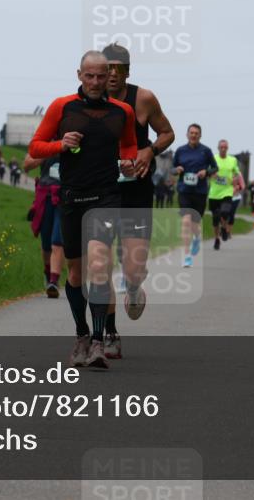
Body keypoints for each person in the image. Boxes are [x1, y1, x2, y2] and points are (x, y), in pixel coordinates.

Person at [28, 51, 138, 370]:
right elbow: (36, 147)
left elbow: (128, 146)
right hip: (72, 197)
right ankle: (82, 335)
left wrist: (129, 163)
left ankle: (99, 343)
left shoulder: (123, 111)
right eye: (89, 76)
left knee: (100, 264)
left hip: (106, 196)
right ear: (79, 75)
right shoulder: (62, 107)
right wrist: (59, 145)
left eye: (101, 76)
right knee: (75, 273)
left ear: (109, 77)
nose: (94, 82)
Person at [104, 43, 175, 359]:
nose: (112, 74)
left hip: (136, 192)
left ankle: (133, 286)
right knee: (99, 264)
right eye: (108, 68)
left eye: (119, 68)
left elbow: (167, 133)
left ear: (128, 71)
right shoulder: (87, 101)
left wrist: (150, 151)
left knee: (132, 268)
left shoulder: (143, 98)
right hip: (101, 191)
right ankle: (108, 333)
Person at [172, 124, 218, 267]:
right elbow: (173, 168)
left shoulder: (206, 151)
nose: (193, 135)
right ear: (187, 134)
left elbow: (215, 167)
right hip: (184, 190)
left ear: (200, 135)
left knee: (194, 224)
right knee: (186, 221)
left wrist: (206, 172)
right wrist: (177, 169)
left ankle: (197, 238)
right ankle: (187, 256)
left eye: (196, 133)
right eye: (191, 133)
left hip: (200, 191)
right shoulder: (180, 151)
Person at [24, 155, 63, 297]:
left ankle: (54, 281)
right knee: (46, 243)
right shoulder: (43, 139)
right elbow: (27, 164)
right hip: (45, 195)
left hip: (66, 195)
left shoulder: (75, 136)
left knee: (57, 241)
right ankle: (48, 273)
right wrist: (49, 151)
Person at [207, 140, 240, 250]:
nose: (223, 149)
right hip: (214, 193)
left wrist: (235, 179)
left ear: (228, 148)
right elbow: (208, 171)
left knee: (225, 212)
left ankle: (224, 227)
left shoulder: (232, 160)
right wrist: (211, 173)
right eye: (221, 147)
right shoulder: (214, 158)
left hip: (227, 191)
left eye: (225, 147)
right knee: (215, 218)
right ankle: (217, 239)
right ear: (218, 148)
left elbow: (236, 173)